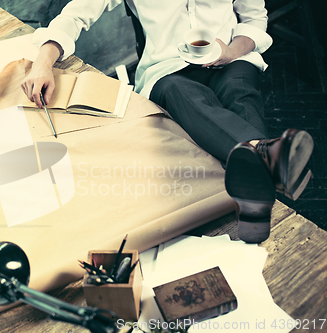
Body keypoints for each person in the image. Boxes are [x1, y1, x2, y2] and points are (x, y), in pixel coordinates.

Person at [21, 0, 314, 242]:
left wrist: (230, 52)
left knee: (240, 90)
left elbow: (254, 18)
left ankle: (257, 173)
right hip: (167, 69)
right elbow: (76, 14)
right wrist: (43, 62)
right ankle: (263, 167)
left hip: (231, 57)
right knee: (181, 94)